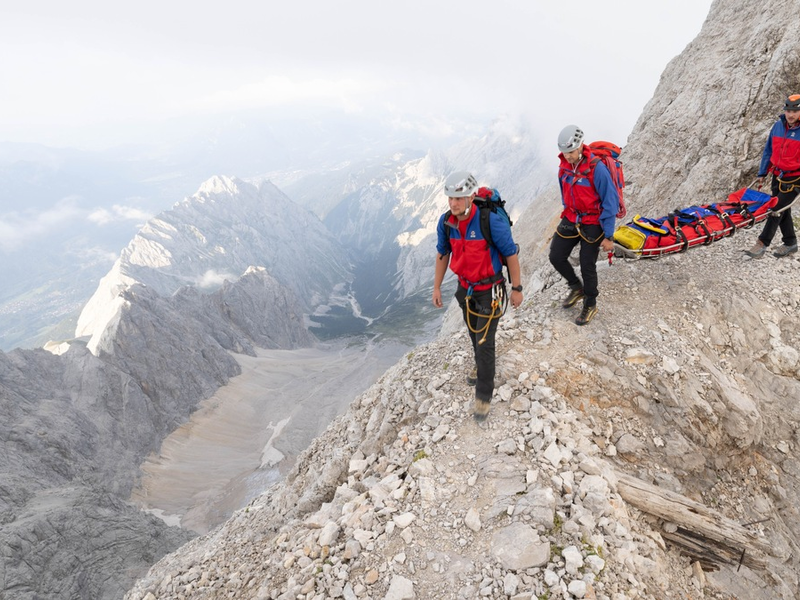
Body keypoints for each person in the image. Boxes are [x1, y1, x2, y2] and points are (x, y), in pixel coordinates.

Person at [432, 171, 523, 422]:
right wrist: (437, 287)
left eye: (459, 198)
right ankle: (480, 365)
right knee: (474, 333)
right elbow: (443, 254)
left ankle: (483, 396)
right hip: (466, 288)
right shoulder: (446, 222)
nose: (453, 203)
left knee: (484, 341)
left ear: (471, 196)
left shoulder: (489, 221)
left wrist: (517, 288)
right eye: (451, 198)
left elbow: (510, 254)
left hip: (490, 289)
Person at [549, 125, 619, 326]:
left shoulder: (597, 169)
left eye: (571, 152)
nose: (568, 156)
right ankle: (576, 287)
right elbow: (565, 193)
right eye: (565, 152)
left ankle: (590, 303)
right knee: (556, 256)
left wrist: (608, 235)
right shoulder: (564, 166)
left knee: (587, 264)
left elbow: (610, 202)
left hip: (593, 221)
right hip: (571, 217)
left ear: (580, 146)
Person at [745, 93, 800, 258]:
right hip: (777, 175)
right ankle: (790, 242)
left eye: (795, 111)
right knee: (784, 209)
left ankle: (761, 244)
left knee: (776, 209)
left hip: (795, 179)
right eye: (788, 110)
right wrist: (763, 172)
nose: (790, 114)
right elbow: (768, 150)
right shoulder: (778, 126)